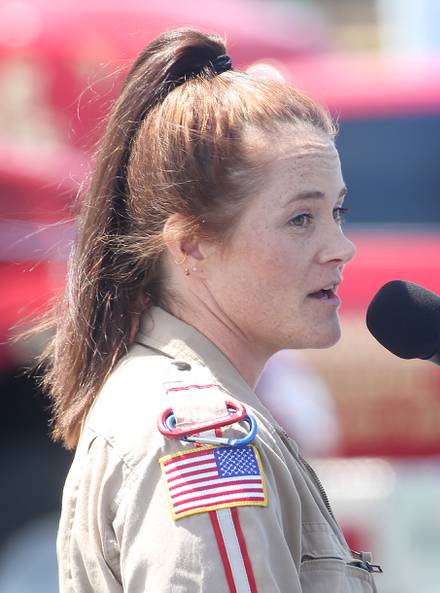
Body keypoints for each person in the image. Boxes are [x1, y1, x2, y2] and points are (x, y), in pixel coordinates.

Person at [32, 27, 379, 592]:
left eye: (337, 212)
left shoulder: (182, 404)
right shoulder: (203, 436)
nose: (341, 246)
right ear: (190, 244)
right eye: (301, 218)